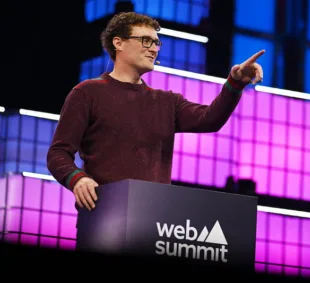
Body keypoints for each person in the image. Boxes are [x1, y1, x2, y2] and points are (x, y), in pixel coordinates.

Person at [46, 12, 265, 212]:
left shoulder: (167, 101)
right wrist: (78, 179)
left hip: (155, 221)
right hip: (103, 217)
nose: (154, 48)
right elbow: (58, 154)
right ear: (118, 43)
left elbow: (210, 120)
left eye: (156, 42)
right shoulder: (87, 93)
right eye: (145, 41)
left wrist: (235, 82)